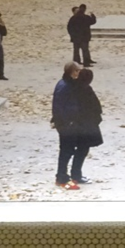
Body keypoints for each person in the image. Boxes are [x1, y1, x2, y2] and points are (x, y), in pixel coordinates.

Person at [51, 61, 85, 190]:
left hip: (69, 122)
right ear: (71, 71)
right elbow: (58, 106)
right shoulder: (64, 86)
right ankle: (61, 177)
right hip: (66, 124)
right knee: (66, 151)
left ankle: (62, 176)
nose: (78, 73)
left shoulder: (68, 84)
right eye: (77, 71)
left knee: (68, 150)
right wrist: (64, 121)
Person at [70, 68, 104, 184]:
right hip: (86, 125)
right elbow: (95, 107)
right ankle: (76, 174)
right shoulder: (85, 89)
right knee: (82, 150)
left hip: (77, 124)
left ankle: (73, 174)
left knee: (78, 150)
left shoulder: (73, 87)